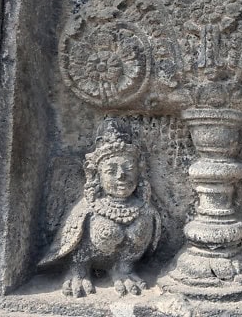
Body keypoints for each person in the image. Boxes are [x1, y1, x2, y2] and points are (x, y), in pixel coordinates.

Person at [39, 118, 161, 297]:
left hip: (126, 270)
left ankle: (123, 270)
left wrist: (125, 268)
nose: (121, 176)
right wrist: (78, 270)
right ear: (97, 176)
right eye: (111, 171)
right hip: (81, 268)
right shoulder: (88, 210)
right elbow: (67, 247)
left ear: (139, 171)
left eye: (129, 168)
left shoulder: (147, 211)